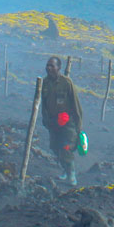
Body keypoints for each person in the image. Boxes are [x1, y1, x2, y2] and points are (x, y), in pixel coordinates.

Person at [40, 55, 83, 186]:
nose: (49, 68)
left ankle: (71, 175)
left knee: (66, 147)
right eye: (47, 65)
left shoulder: (66, 83)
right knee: (54, 147)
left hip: (67, 123)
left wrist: (78, 127)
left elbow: (76, 105)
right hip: (53, 122)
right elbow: (44, 103)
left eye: (52, 65)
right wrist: (46, 120)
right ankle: (65, 170)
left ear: (59, 68)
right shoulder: (44, 83)